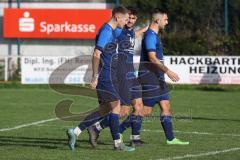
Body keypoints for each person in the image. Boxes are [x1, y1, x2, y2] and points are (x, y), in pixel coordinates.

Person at [66, 5, 135, 151]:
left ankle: (75, 132)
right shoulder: (106, 31)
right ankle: (118, 144)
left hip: (111, 75)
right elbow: (96, 54)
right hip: (104, 75)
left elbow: (124, 33)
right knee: (116, 106)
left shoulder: (114, 30)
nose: (127, 21)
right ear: (117, 17)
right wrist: (95, 77)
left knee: (104, 109)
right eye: (125, 19)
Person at [87, 6, 148, 147]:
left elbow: (135, 33)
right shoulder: (118, 31)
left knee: (139, 106)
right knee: (122, 110)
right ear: (122, 18)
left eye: (133, 18)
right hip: (121, 73)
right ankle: (97, 128)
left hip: (131, 73)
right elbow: (101, 48)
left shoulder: (131, 32)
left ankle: (134, 138)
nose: (130, 20)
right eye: (128, 18)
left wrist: (147, 28)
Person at [139, 8, 189, 145]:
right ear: (157, 20)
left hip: (159, 78)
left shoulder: (155, 36)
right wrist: (168, 71)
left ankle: (171, 139)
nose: (167, 22)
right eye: (165, 19)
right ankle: (105, 128)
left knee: (166, 107)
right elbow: (152, 58)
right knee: (143, 111)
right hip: (150, 78)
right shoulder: (150, 36)